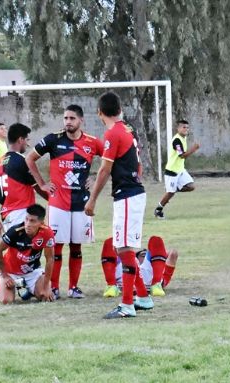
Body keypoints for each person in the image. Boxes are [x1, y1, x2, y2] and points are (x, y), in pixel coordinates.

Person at [84, 92, 153, 318]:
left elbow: (105, 169)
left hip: (128, 196)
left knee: (124, 249)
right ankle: (143, 297)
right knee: (121, 248)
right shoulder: (128, 130)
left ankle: (127, 305)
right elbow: (138, 166)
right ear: (120, 109)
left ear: (99, 113)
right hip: (131, 193)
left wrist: (92, 199)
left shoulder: (113, 133)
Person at [26, 105, 103, 299]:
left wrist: (95, 178)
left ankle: (73, 287)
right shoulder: (53, 139)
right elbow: (30, 159)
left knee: (76, 246)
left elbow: (110, 160)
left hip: (81, 204)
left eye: (72, 118)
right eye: (66, 118)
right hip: (58, 204)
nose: (68, 121)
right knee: (56, 247)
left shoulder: (92, 142)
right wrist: (42, 184)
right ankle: (54, 287)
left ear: (81, 120)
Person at [0, 123, 48, 299]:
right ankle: (15, 285)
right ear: (20, 139)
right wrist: (56, 200)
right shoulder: (22, 161)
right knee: (22, 249)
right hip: (22, 212)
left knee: (13, 249)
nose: (28, 143)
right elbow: (38, 187)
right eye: (27, 140)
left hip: (6, 214)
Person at [0, 204, 55, 304]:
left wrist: (46, 285)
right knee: (6, 301)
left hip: (32, 272)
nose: (28, 224)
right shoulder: (15, 231)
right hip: (11, 272)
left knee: (45, 296)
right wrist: (5, 275)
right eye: (26, 219)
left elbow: (50, 259)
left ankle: (27, 287)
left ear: (41, 223)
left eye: (32, 221)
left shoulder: (47, 233)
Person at [100, 235, 177, 298]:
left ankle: (111, 285)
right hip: (137, 277)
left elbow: (173, 254)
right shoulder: (156, 271)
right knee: (111, 242)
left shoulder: (152, 269)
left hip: (128, 279)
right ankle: (111, 286)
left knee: (156, 240)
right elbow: (173, 255)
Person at [154, 120, 200, 219]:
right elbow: (182, 155)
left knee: (191, 187)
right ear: (178, 128)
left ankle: (173, 189)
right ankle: (158, 210)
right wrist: (194, 149)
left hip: (180, 170)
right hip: (172, 171)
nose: (186, 129)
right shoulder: (176, 141)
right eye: (184, 127)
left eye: (187, 127)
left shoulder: (184, 138)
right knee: (170, 193)